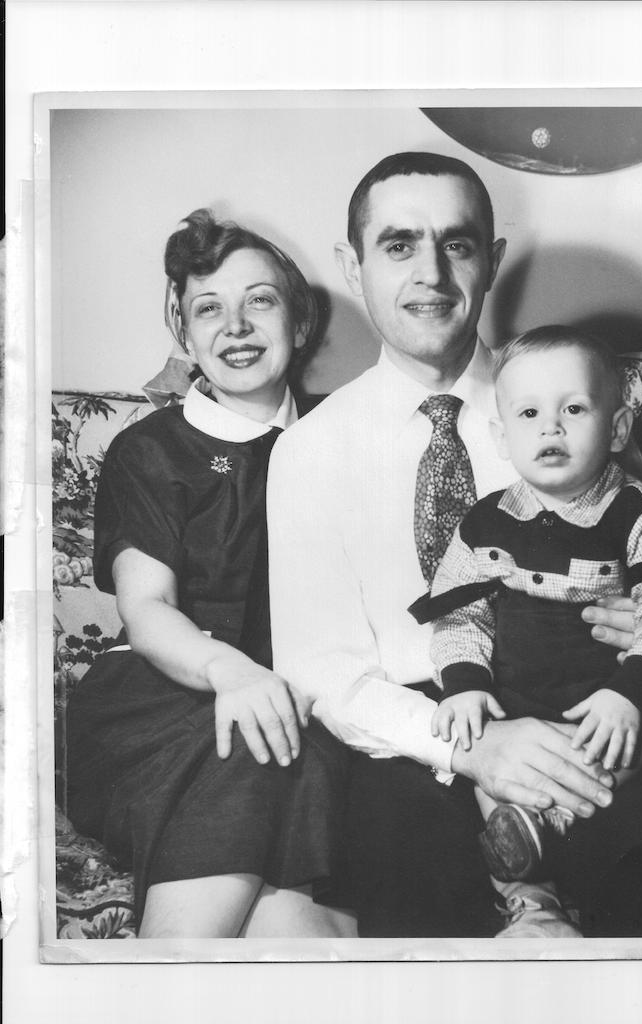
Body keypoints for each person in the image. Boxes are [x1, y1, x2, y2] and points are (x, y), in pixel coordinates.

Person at [267, 152, 642, 938]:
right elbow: (321, 668)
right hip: (417, 746)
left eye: (458, 244)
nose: (431, 273)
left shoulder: (565, 400)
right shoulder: (310, 450)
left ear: (492, 260)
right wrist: (471, 752)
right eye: (398, 245)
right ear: (353, 264)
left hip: (587, 708)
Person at [65, 209, 354, 940]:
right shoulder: (152, 450)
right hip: (158, 698)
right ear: (183, 331)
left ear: (299, 318)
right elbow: (147, 607)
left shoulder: (345, 435)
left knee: (306, 802)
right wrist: (234, 673)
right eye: (208, 308)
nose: (235, 326)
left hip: (299, 697)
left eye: (259, 300)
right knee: (255, 742)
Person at [416, 325, 642, 883]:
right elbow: (459, 610)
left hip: (613, 693)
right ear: (503, 439)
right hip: (515, 694)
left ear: (619, 427)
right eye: (528, 415)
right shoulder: (484, 521)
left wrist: (632, 692)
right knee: (480, 743)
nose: (550, 426)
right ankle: (517, 835)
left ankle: (550, 820)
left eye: (574, 408)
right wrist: (465, 682)